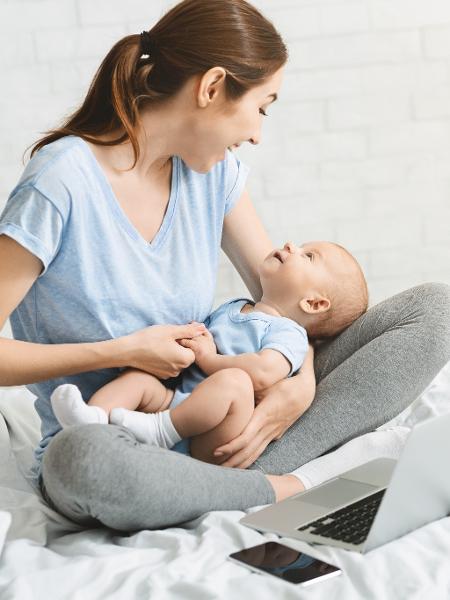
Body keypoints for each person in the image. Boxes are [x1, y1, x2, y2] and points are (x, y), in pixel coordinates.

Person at [0, 0, 448, 531]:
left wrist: (297, 385)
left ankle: (222, 481)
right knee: (83, 463)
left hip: (221, 421)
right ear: (212, 87)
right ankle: (283, 486)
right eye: (262, 106)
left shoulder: (213, 175)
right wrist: (122, 351)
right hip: (116, 436)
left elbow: (285, 303)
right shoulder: (60, 183)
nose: (259, 133)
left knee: (435, 309)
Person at [49, 239, 368, 467]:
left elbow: (262, 374)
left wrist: (208, 358)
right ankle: (90, 423)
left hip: (214, 432)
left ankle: (163, 431)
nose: (290, 246)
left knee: (235, 382)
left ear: (313, 303)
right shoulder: (234, 306)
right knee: (138, 379)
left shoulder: (290, 335)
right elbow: (204, 341)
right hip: (177, 401)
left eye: (309, 256)